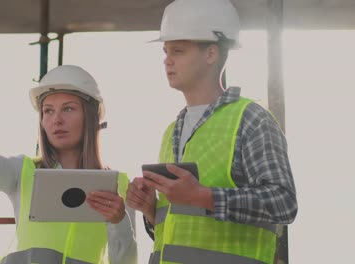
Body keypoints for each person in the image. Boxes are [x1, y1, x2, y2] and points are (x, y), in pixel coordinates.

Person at [126, 0, 298, 263]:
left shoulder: (250, 119)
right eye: (165, 51)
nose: (167, 61)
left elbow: (284, 203)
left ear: (211, 54)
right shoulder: (172, 130)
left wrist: (204, 196)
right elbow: (176, 231)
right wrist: (151, 211)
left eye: (178, 51)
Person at [0, 60, 137, 264]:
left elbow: (126, 262)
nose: (57, 120)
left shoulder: (118, 185)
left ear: (90, 116)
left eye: (68, 108)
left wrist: (119, 221)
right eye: (48, 111)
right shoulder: (24, 172)